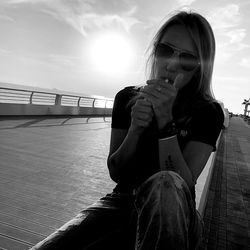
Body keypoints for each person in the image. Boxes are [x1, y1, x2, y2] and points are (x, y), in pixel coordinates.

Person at [33, 10, 224, 250]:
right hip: (123, 202)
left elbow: (182, 186)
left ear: (200, 67)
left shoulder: (207, 112)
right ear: (155, 51)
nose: (172, 65)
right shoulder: (127, 98)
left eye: (187, 59)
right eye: (165, 51)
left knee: (165, 182)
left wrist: (165, 122)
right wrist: (135, 130)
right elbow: (116, 171)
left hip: (178, 216)